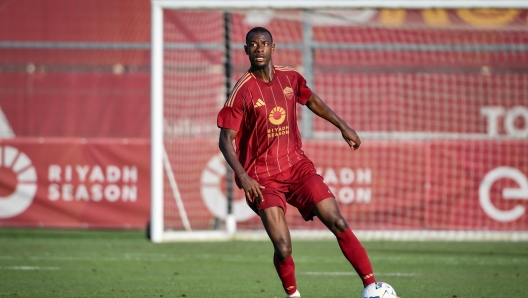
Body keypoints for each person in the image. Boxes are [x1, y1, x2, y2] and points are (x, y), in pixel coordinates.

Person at [217, 27, 376, 298]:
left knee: (337, 221)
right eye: (252, 45)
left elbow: (312, 100)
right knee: (283, 246)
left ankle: (373, 287)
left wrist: (343, 126)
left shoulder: (290, 77)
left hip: (297, 167)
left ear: (273, 48)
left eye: (264, 44)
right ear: (245, 51)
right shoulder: (242, 92)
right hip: (262, 178)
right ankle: (293, 295)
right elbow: (225, 140)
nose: (259, 49)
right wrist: (243, 176)